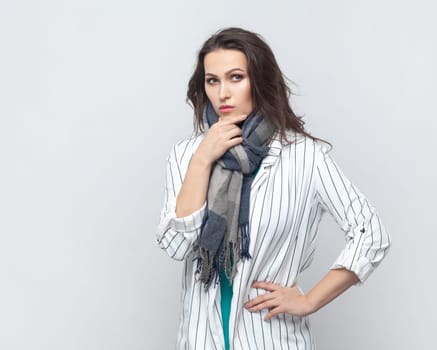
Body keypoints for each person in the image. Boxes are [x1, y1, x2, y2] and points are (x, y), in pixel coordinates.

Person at [156, 27, 391, 350]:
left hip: (270, 338)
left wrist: (310, 301)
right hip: (199, 339)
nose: (223, 93)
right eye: (213, 81)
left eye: (236, 77)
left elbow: (371, 235)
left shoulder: (303, 156)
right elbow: (176, 246)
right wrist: (202, 160)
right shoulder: (186, 154)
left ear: (259, 81)